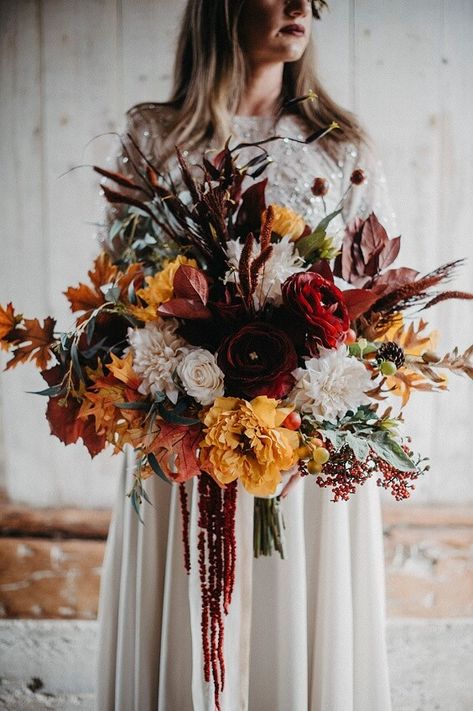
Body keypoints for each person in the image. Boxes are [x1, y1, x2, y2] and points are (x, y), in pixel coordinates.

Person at [96, 1, 396, 709]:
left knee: (298, 597)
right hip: (182, 426)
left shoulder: (339, 146)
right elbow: (121, 288)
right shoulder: (155, 136)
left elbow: (369, 302)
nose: (299, 8)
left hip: (304, 433)